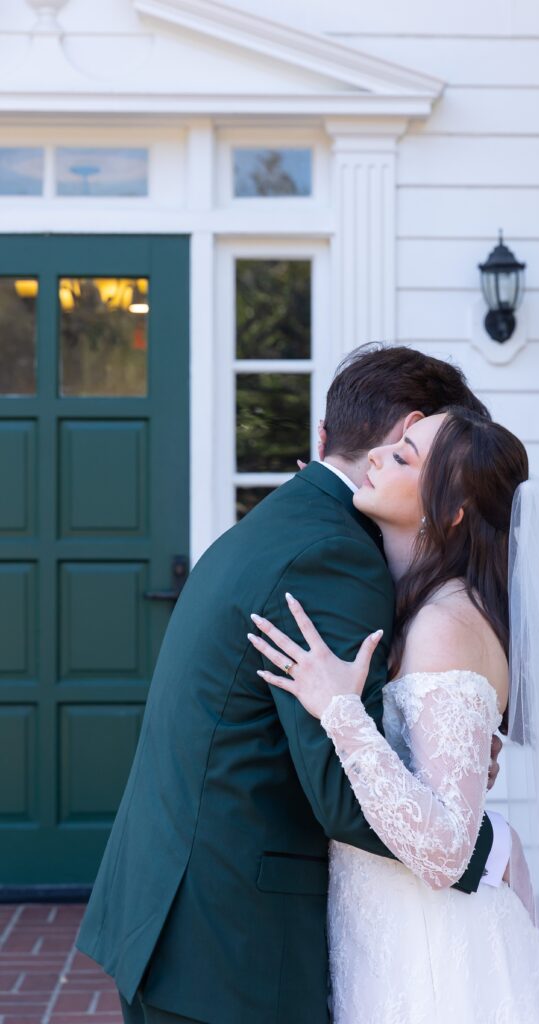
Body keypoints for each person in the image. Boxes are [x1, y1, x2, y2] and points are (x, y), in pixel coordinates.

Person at [76, 345, 512, 1024]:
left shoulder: (287, 520)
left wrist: (440, 745)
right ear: (409, 430)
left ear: (321, 438)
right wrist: (488, 846)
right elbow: (342, 798)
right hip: (229, 944)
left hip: (174, 910)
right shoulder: (334, 555)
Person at [250, 406, 539, 1023]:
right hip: (393, 933)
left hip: (436, 956)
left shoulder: (446, 624)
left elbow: (448, 850)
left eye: (402, 456)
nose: (375, 455)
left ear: (450, 510)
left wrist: (340, 711)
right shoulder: (425, 602)